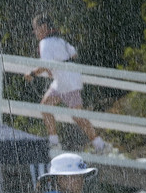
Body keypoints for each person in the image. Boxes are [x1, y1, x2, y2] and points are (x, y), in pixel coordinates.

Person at [27, 14, 116, 156]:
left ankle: (99, 145)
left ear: (43, 27)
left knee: (76, 116)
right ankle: (56, 141)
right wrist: (58, 64)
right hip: (66, 80)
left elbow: (45, 65)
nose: (35, 32)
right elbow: (73, 54)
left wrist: (32, 74)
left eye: (36, 28)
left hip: (66, 82)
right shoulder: (59, 40)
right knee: (46, 107)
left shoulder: (45, 43)